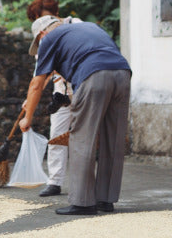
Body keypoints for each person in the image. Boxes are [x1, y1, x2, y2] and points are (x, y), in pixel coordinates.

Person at [19, 14, 132, 215]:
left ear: (42, 34)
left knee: (82, 138)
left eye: (38, 43)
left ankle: (83, 202)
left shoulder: (49, 40)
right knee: (113, 139)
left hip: (93, 76)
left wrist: (27, 118)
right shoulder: (87, 27)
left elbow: (36, 83)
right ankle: (106, 200)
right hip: (122, 74)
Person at [24, 0, 82, 198]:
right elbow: (40, 74)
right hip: (60, 91)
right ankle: (54, 182)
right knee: (56, 135)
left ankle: (82, 183)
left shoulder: (76, 25)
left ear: (55, 14)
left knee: (83, 136)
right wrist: (31, 97)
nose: (43, 23)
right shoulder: (43, 38)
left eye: (45, 17)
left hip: (82, 87)